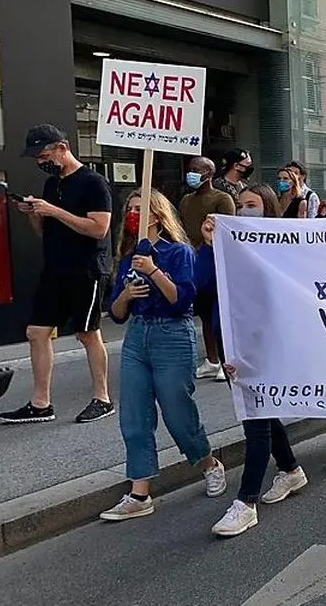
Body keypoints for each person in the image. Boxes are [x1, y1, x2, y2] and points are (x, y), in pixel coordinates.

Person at [99, 191, 225, 521]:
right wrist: (126, 294)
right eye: (129, 208)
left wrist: (154, 272)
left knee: (178, 412)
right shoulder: (127, 257)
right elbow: (116, 313)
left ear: (156, 215)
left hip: (172, 335)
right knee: (134, 417)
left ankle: (208, 462)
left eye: (139, 209)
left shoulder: (179, 252)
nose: (132, 214)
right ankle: (139, 493)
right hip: (137, 337)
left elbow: (183, 301)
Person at [204, 184, 309, 537]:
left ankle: (246, 502)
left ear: (268, 210)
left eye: (253, 205)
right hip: (232, 341)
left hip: (262, 346)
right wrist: (210, 246)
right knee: (263, 411)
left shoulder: (279, 252)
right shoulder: (226, 247)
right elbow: (202, 286)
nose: (245, 211)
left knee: (256, 418)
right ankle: (291, 469)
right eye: (241, 206)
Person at [2, 124, 114, 425]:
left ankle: (102, 398)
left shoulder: (94, 183)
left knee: (87, 333)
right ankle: (40, 403)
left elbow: (99, 229)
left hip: (87, 268)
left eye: (44, 155)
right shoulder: (53, 186)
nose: (41, 163)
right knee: (36, 332)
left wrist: (54, 211)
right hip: (55, 267)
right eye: (37, 158)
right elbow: (45, 232)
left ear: (62, 148)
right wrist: (35, 215)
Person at [179, 156, 236, 382]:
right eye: (190, 169)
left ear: (209, 174)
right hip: (193, 260)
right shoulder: (185, 200)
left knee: (219, 313)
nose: (191, 173)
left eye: (197, 170)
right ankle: (212, 360)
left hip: (215, 259)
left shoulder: (223, 199)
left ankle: (225, 359)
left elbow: (228, 230)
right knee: (204, 313)